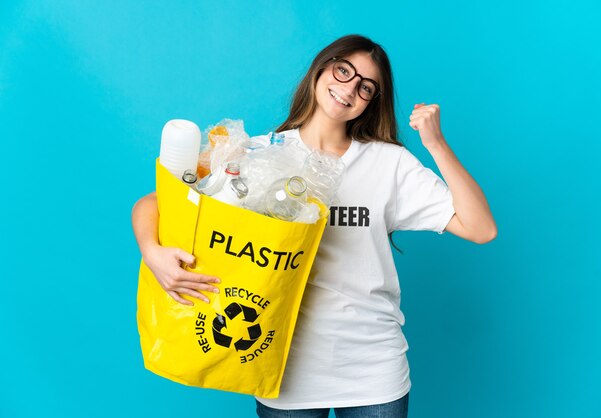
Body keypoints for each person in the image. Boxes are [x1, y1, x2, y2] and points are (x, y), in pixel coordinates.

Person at [131, 34, 497, 418]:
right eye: (344, 71)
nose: (349, 89)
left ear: (372, 101)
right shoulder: (257, 155)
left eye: (365, 87)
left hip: (372, 367)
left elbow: (481, 228)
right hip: (281, 364)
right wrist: (152, 253)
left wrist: (436, 143)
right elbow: (155, 201)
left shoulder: (389, 163)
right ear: (322, 69)